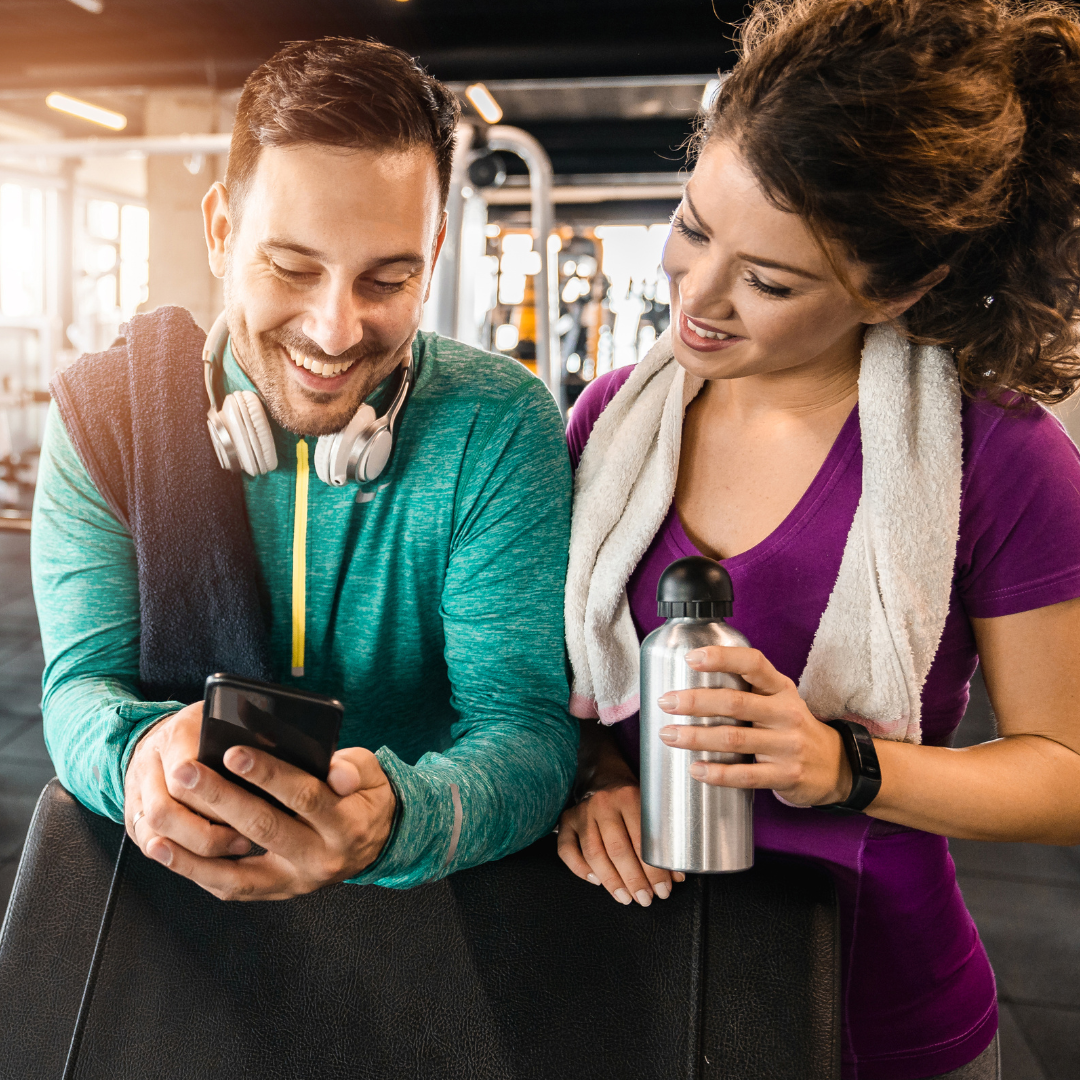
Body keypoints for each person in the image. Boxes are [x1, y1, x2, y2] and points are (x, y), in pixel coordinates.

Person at [557, 2, 1080, 1078]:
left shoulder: (1003, 452)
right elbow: (553, 687)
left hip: (880, 1014)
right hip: (633, 988)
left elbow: (1067, 775)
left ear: (899, 286)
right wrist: (593, 775)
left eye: (771, 280)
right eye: (696, 225)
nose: (695, 294)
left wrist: (843, 764)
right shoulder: (608, 423)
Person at [31, 38, 576, 901]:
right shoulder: (107, 418)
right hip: (178, 910)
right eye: (292, 268)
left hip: (431, 906)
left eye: (386, 279)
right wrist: (134, 756)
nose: (334, 331)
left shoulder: (498, 426)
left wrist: (401, 816)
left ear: (432, 257)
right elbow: (79, 691)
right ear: (220, 232)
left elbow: (528, 734)